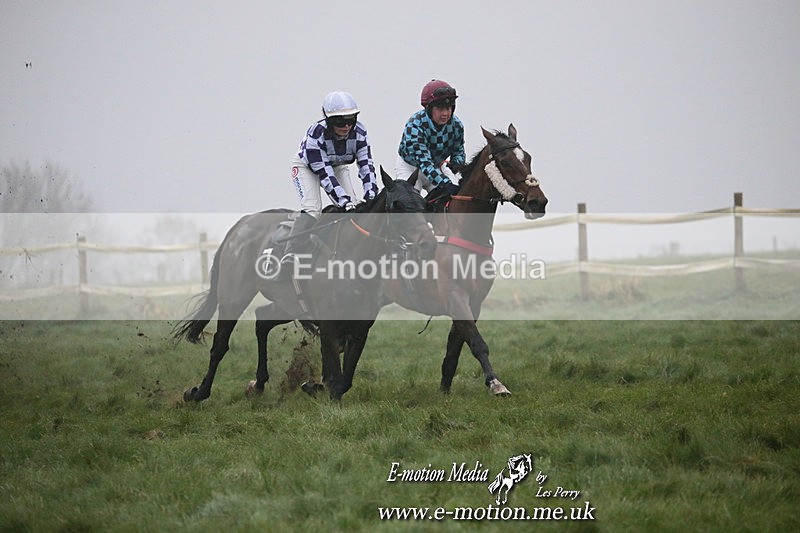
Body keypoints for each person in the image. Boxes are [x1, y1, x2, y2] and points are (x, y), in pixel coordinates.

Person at [282, 91, 379, 266]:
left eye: (351, 120)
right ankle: (290, 252)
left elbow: (366, 166)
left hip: (337, 164)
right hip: (309, 167)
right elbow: (325, 176)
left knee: (356, 205)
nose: (347, 126)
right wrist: (344, 202)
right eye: (340, 121)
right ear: (328, 120)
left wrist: (372, 195)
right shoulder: (315, 133)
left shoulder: (361, 132)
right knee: (313, 208)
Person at [396, 79, 466, 202]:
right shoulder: (415, 126)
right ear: (428, 108)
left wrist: (456, 164)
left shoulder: (457, 125)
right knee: (409, 203)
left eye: (449, 108)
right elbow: (425, 163)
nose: (445, 113)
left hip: (436, 166)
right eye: (440, 108)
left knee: (454, 199)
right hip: (411, 168)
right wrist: (445, 184)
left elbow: (459, 150)